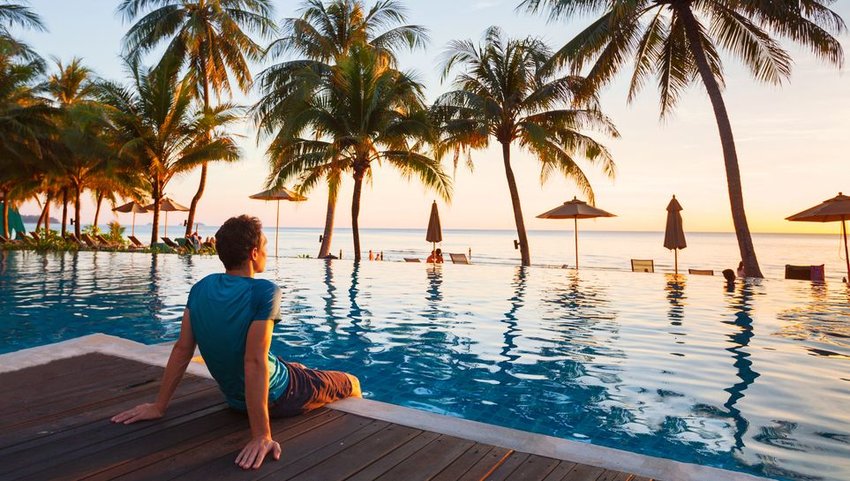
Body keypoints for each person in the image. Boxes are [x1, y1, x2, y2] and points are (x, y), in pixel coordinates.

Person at [111, 215, 361, 470]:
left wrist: (159, 406)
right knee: (350, 381)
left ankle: (299, 373)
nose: (265, 251)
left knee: (297, 367)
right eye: (263, 246)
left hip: (235, 398)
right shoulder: (265, 292)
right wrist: (262, 435)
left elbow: (182, 349)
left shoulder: (201, 288)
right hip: (280, 395)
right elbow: (253, 362)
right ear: (254, 253)